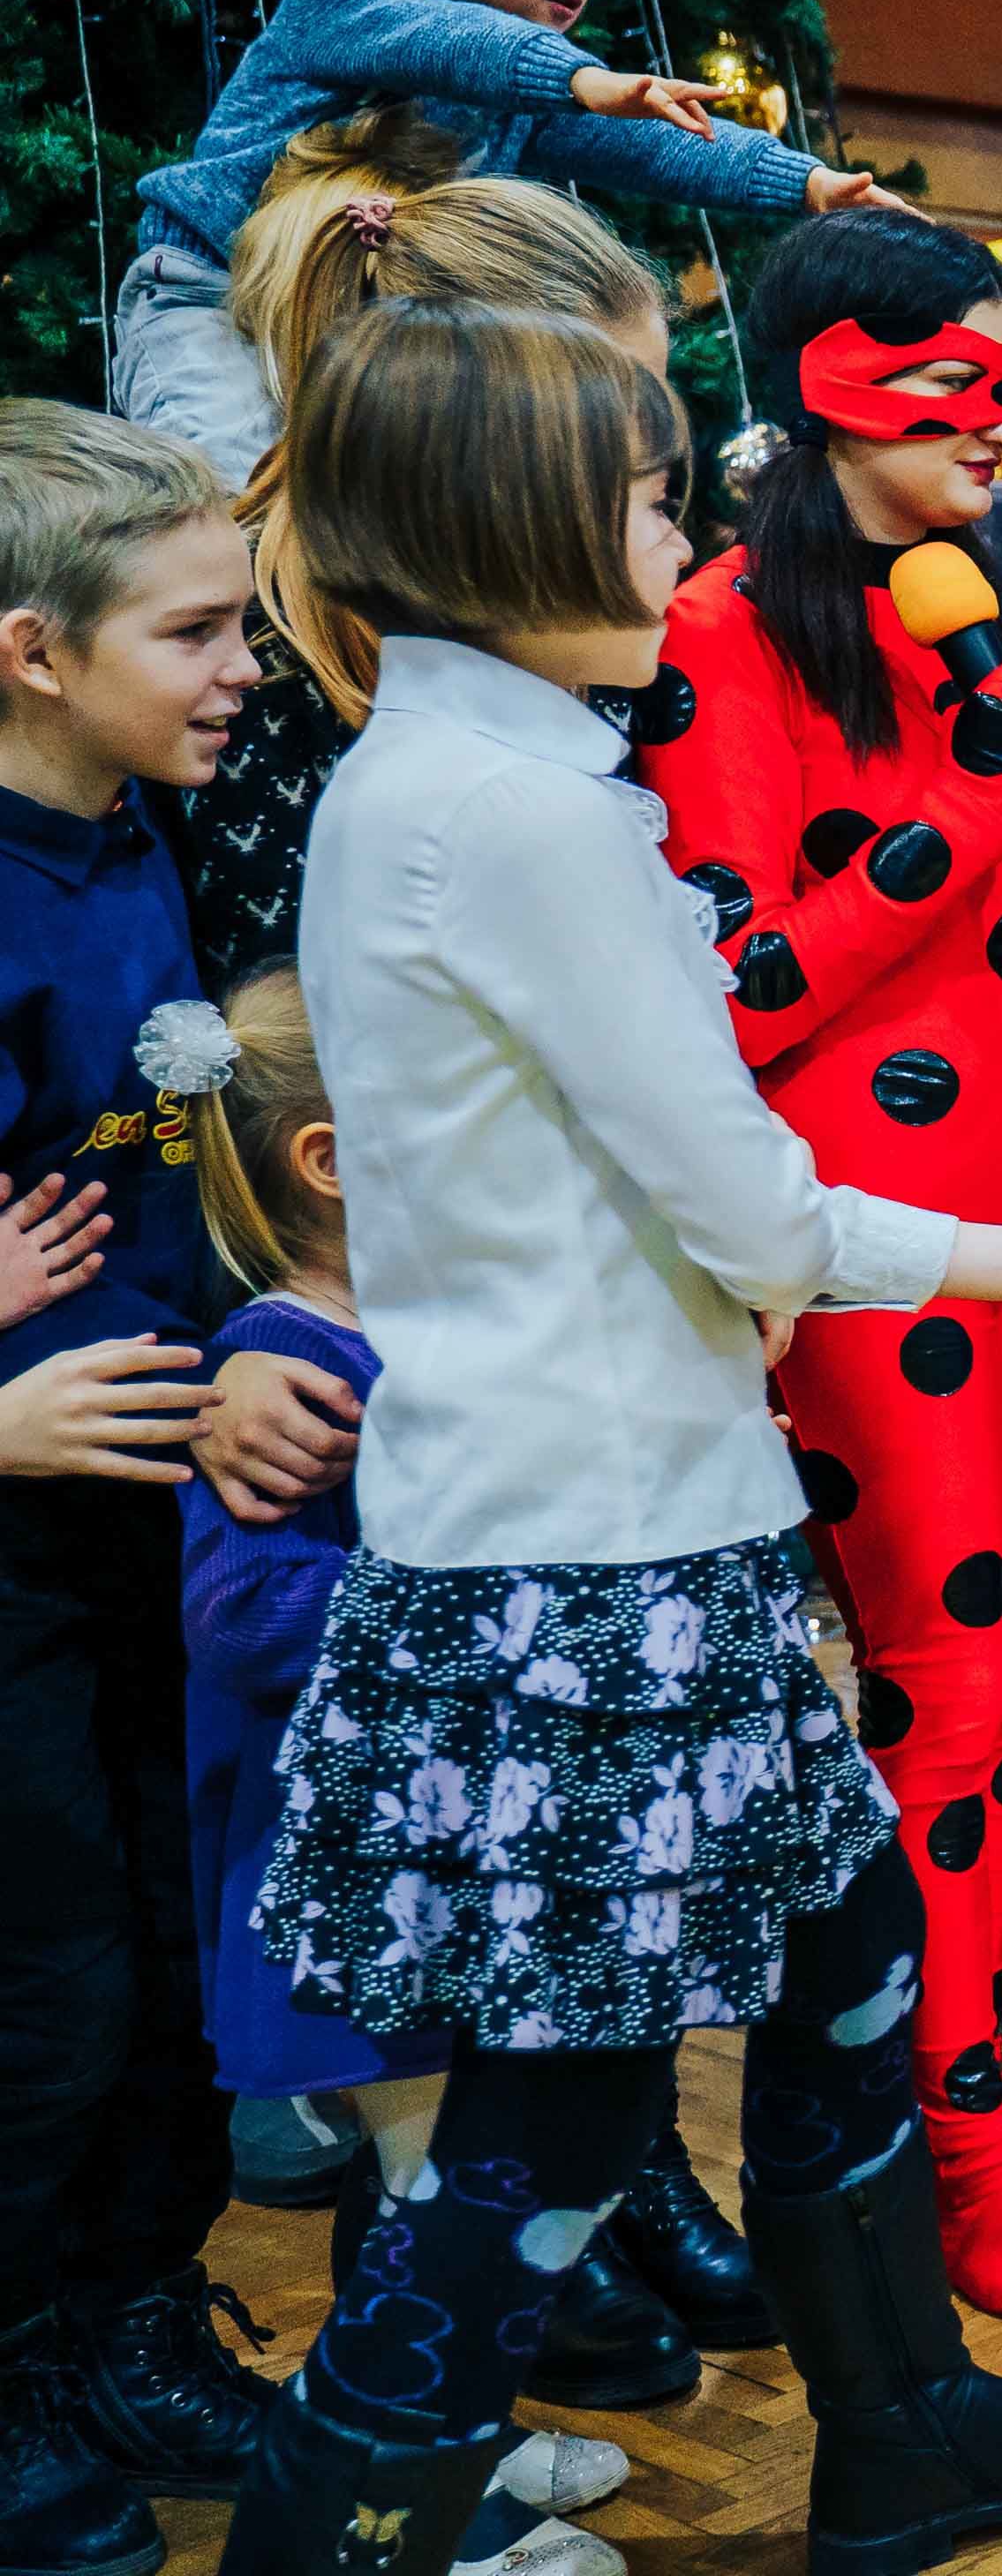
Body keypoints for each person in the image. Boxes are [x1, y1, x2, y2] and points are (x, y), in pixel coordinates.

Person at [222, 296, 1002, 2572]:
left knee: (843, 1956)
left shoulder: (450, 778)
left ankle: (905, 2428)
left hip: (611, 1515)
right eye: (654, 493)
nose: (684, 536)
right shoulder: (516, 817)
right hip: (594, 1549)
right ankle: (336, 2524)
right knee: (565, 2105)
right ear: (520, 519)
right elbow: (753, 1206)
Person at [172, 139, 774, 2392]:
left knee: (589, 1907)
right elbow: (258, 1066)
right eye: (615, 455)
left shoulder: (528, 704)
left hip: (539, 1367)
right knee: (472, 1942)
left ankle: (602, 2207)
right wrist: (249, 1326)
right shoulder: (379, 732)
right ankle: (437, 2343)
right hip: (391, 1351)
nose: (659, 522)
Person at [627, 211, 1002, 2325]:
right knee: (941, 1697)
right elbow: (738, 989)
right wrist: (952, 828)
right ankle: (931, 2162)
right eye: (951, 372)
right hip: (883, 1239)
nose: (998, 414)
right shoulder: (718, 635)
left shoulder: (996, 617)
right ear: (826, 386)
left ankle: (969, 2093)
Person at [166, 964, 637, 2576]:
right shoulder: (285, 1359)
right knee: (436, 2200)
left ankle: (457, 2448)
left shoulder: (430, 1326)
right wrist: (478, 1595)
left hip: (459, 1854)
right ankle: (406, 2517)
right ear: (332, 1160)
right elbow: (244, 1618)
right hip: (360, 1870)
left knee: (446, 2190)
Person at [0, 399, 272, 2576]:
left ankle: (136, 2318)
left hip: (145, 1520)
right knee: (48, 1984)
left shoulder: (130, 837)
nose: (241, 670)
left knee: (168, 1960)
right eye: (192, 633)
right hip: (10, 1541)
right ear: (33, 649)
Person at [113, 0, 899, 484]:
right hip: (213, 297)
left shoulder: (524, 88)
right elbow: (446, 42)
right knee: (224, 497)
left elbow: (658, 139)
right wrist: (580, 79)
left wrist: (807, 182)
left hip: (352, 336)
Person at [177, 119, 673, 994]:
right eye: (609, 426)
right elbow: (280, 1012)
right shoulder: (251, 640)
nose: (649, 451)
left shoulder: (576, 585)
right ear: (452, 419)